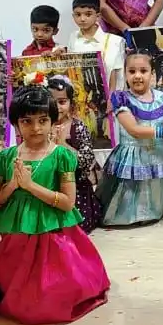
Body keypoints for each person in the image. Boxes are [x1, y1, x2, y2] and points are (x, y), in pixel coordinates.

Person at [0, 86, 110, 325]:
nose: (36, 128)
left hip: (53, 238)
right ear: (16, 124)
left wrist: (30, 186)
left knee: (47, 294)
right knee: (16, 291)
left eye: (43, 120)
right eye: (27, 121)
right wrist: (13, 185)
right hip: (17, 238)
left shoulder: (61, 156)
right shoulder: (5, 157)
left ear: (52, 121)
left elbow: (67, 203)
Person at [99, 52, 163, 226]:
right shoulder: (122, 99)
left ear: (152, 74)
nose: (137, 76)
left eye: (143, 71)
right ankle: (130, 217)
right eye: (132, 71)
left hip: (158, 152)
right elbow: (134, 130)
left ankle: (155, 211)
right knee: (131, 189)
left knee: (156, 186)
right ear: (125, 74)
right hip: (133, 153)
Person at [47, 76, 104, 233]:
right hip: (48, 187)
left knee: (73, 227)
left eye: (62, 102)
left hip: (75, 188)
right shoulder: (41, 127)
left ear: (71, 103)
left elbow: (87, 161)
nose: (57, 107)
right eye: (51, 102)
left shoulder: (78, 127)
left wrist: (63, 145)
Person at [69, 0, 125, 92]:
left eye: (88, 14)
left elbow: (118, 76)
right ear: (73, 16)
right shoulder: (73, 38)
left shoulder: (115, 41)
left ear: (98, 16)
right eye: (78, 14)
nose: (82, 19)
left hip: (109, 96)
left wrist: (112, 98)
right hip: (81, 95)